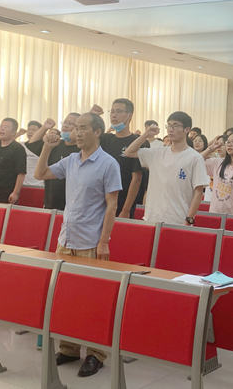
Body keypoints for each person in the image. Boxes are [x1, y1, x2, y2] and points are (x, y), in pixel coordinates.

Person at [33, 113, 121, 377]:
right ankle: (69, 348)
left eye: (83, 128)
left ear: (98, 132)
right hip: (66, 240)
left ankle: (96, 354)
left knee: (93, 301)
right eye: (76, 128)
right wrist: (46, 147)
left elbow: (112, 205)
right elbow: (40, 173)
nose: (77, 133)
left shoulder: (108, 163)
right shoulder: (71, 159)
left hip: (91, 242)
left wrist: (103, 242)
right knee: (67, 298)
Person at [124, 111, 209, 226]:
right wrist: (146, 134)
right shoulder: (157, 152)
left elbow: (198, 192)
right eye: (169, 126)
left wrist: (189, 220)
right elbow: (129, 152)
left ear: (187, 129)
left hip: (178, 220)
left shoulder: (195, 158)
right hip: (152, 218)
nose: (170, 130)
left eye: (175, 126)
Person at [89, 100, 149, 217]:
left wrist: (126, 209)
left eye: (119, 111)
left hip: (122, 202)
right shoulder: (105, 139)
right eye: (112, 112)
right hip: (100, 201)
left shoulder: (136, 142)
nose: (114, 115)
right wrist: (92, 115)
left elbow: (136, 179)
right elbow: (82, 136)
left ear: (129, 115)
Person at [25, 115, 82, 210]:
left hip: (72, 205)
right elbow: (32, 144)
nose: (65, 125)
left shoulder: (82, 149)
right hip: (51, 201)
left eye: (70, 123)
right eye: (64, 122)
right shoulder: (55, 144)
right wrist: (45, 127)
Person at [20, 120, 44, 187]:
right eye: (29, 129)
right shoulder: (22, 145)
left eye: (33, 130)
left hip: (39, 184)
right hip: (22, 183)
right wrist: (18, 134)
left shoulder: (44, 147)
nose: (30, 132)